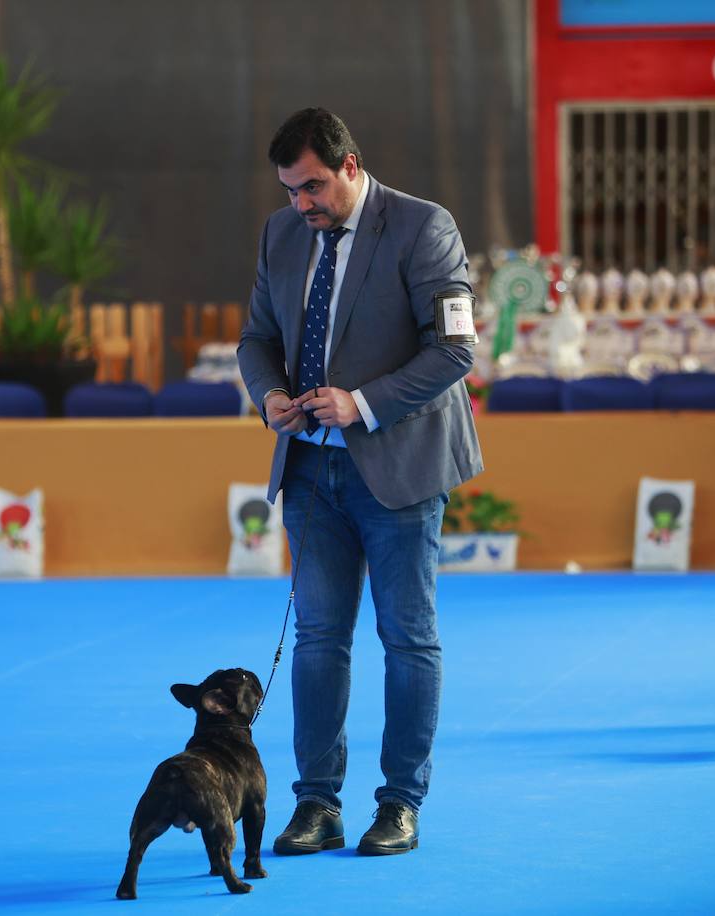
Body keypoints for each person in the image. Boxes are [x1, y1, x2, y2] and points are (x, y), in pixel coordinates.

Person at [237, 108, 482, 857]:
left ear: (350, 165)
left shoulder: (423, 226)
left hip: (400, 465)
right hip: (310, 467)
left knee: (407, 639)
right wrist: (270, 393)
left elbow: (456, 350)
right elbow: (257, 339)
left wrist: (361, 404)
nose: (300, 204)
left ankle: (400, 804)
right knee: (317, 641)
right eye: (288, 191)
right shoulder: (282, 235)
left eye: (312, 186)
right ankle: (317, 804)